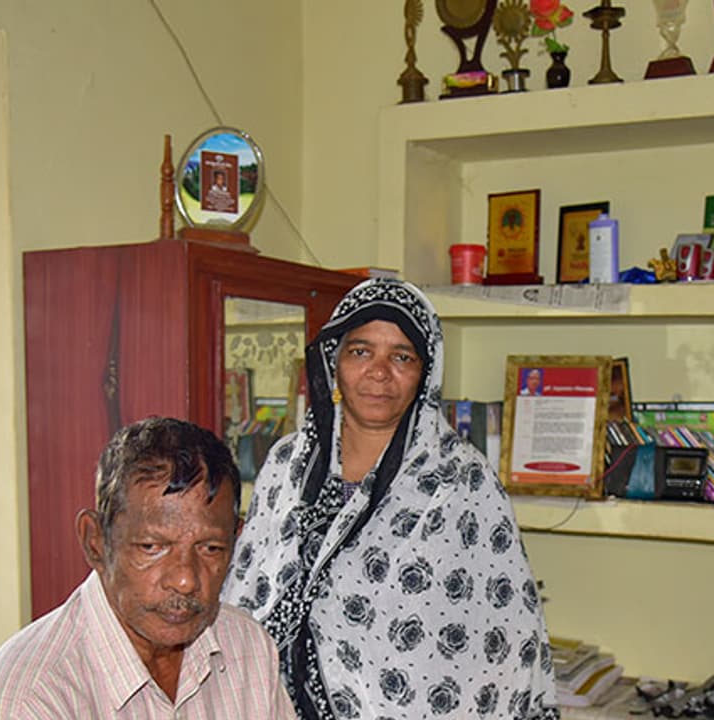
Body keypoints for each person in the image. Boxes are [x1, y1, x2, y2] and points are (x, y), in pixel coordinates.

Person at [222, 279, 561, 719]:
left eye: (402, 357)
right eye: (361, 351)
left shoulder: (461, 480)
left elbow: (506, 632)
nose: (379, 372)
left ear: (426, 373)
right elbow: (246, 590)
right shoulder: (287, 464)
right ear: (334, 360)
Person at [0, 417, 294, 719]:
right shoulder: (27, 702)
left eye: (211, 549)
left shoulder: (248, 648)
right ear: (95, 543)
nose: (185, 579)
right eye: (152, 547)